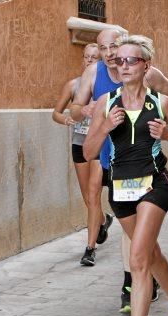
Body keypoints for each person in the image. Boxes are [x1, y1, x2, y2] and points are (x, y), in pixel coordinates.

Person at [83, 35, 168, 316]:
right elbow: (89, 152)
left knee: (138, 260)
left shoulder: (161, 103)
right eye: (119, 61)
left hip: (155, 185)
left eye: (131, 60)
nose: (124, 65)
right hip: (120, 190)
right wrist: (104, 127)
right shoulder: (106, 102)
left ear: (146, 65)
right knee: (151, 254)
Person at [71, 29, 168, 312]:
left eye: (113, 48)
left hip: (146, 165)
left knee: (138, 245)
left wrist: (160, 129)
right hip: (110, 158)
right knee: (126, 226)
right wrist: (88, 112)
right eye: (106, 49)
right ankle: (165, 290)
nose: (111, 56)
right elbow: (74, 109)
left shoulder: (148, 74)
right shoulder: (93, 74)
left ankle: (131, 283)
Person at [52, 43, 112, 266]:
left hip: (98, 145)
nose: (90, 61)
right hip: (79, 144)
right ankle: (104, 221)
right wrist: (68, 119)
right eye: (86, 57)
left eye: (94, 58)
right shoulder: (74, 85)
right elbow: (56, 113)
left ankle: (90, 248)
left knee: (94, 194)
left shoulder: (105, 84)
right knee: (87, 197)